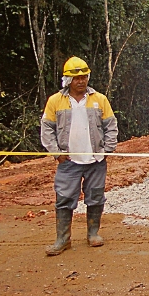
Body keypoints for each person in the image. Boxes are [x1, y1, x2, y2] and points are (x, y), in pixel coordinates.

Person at [40, 56, 118, 256]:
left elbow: (111, 125)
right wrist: (56, 153)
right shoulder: (56, 101)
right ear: (68, 80)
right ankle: (62, 239)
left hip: (95, 161)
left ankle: (93, 234)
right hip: (68, 162)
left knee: (96, 197)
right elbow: (47, 128)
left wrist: (106, 150)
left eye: (83, 77)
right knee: (64, 198)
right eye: (76, 78)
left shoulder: (99, 99)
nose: (81, 81)